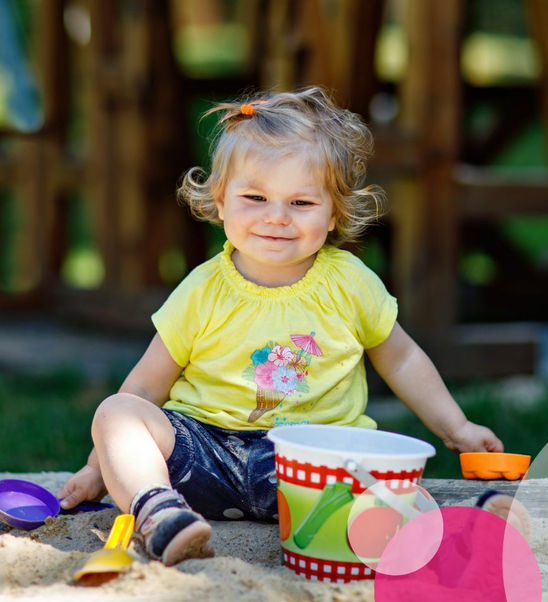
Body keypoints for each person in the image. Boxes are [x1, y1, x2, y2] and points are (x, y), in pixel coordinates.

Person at [57, 86, 503, 566]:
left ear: (334, 214)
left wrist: (456, 427)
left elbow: (402, 358)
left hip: (313, 465)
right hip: (204, 456)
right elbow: (146, 385)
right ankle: (160, 512)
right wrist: (99, 466)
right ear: (220, 201)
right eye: (255, 197)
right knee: (117, 412)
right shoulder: (202, 290)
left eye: (301, 203)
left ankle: (464, 526)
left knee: (378, 477)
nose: (276, 217)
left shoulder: (350, 283)